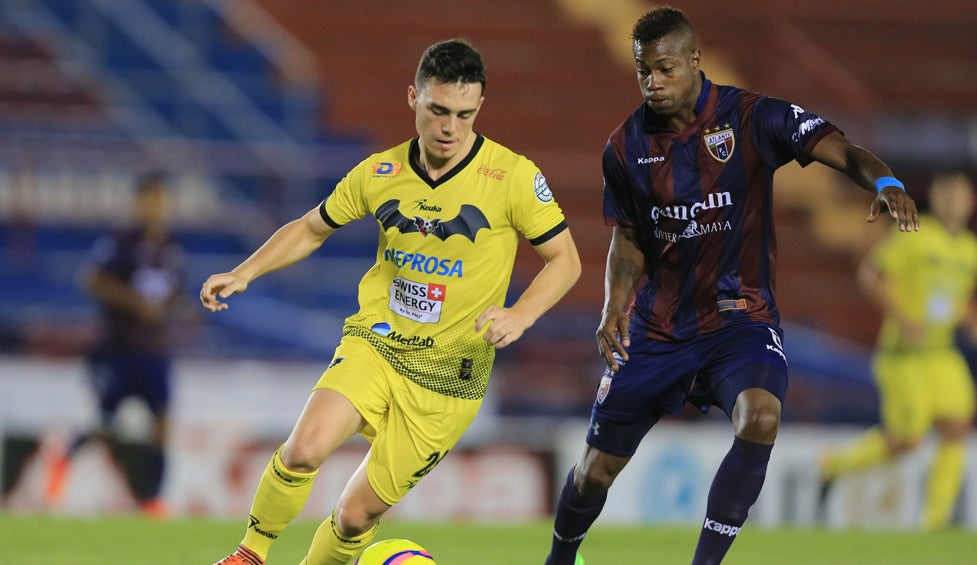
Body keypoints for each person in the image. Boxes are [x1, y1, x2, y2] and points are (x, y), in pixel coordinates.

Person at [544, 7, 919, 565]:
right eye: (644, 71)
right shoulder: (624, 146)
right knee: (595, 471)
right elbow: (629, 236)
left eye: (665, 69)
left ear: (695, 60)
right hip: (659, 327)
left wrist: (885, 180)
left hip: (739, 318)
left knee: (761, 415)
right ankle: (559, 558)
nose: (653, 82)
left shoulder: (752, 117)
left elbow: (838, 147)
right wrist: (613, 305)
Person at [204, 38, 581, 565]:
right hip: (377, 343)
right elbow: (312, 227)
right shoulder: (380, 172)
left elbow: (565, 259)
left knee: (355, 516)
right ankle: (250, 553)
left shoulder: (512, 176)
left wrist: (522, 313)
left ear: (479, 108)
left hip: (449, 378)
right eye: (439, 110)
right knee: (304, 449)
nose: (450, 128)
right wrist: (244, 271)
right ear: (413, 98)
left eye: (465, 115)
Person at [817, 172, 977, 530]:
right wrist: (906, 320)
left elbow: (956, 297)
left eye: (959, 193)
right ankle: (835, 464)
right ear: (936, 197)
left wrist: (975, 320)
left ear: (971, 201)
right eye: (947, 193)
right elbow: (871, 275)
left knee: (957, 426)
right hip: (903, 355)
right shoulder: (915, 235)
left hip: (941, 352)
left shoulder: (972, 250)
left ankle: (935, 522)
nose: (953, 200)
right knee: (907, 441)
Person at [45, 174, 191, 517]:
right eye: (151, 199)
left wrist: (182, 309)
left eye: (161, 200)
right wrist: (135, 304)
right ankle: (64, 460)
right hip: (119, 349)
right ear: (139, 202)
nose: (157, 207)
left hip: (155, 351)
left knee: (162, 423)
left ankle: (152, 498)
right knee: (104, 426)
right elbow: (92, 279)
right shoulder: (122, 242)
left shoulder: (171, 246)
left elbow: (172, 292)